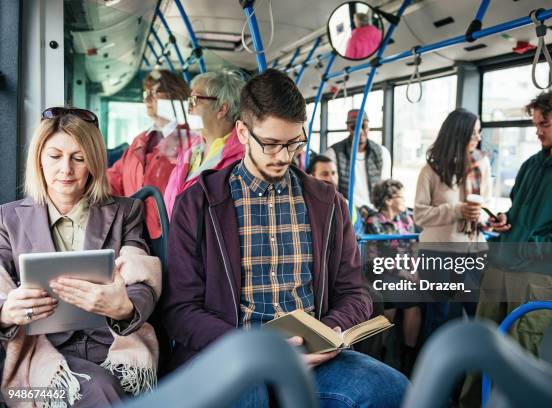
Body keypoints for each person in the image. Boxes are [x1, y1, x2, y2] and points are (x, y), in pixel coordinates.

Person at [163, 69, 408, 407]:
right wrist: (247, 346)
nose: (282, 156)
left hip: (312, 355)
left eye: (294, 143)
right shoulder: (199, 202)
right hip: (233, 351)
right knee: (251, 396)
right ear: (243, 132)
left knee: (393, 388)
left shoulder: (328, 204)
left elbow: (356, 292)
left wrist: (327, 333)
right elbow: (179, 309)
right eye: (271, 144)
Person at [0, 108, 161, 406]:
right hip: (40, 355)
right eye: (55, 156)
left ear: (94, 163)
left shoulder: (126, 212)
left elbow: (141, 275)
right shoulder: (8, 219)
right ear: (38, 159)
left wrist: (125, 307)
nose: (66, 169)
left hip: (114, 348)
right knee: (101, 390)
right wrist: (6, 312)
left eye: (78, 157)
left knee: (105, 387)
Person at [459, 90, 552, 407]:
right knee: (480, 345)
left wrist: (528, 248)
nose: (538, 131)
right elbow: (519, 211)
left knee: (517, 355)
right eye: (536, 124)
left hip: (538, 275)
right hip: (501, 265)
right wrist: (507, 220)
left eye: (544, 124)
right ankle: (468, 403)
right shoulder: (532, 163)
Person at [414, 108, 491, 339]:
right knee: (440, 319)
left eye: (479, 133)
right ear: (458, 134)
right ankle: (436, 373)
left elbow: (487, 207)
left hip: (474, 252)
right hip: (437, 255)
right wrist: (456, 210)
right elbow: (420, 215)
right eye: (473, 134)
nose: (478, 139)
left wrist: (483, 216)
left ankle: (472, 375)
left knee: (478, 317)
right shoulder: (430, 171)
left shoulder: (482, 165)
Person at [107, 69, 196, 238]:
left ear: (174, 96)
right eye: (146, 93)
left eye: (154, 92)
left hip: (170, 235)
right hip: (133, 232)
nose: (147, 98)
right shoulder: (141, 140)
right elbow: (116, 177)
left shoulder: (191, 141)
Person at [164, 70, 246, 217]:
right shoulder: (190, 151)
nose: (188, 107)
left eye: (195, 100)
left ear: (222, 108)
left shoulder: (242, 160)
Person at [365, 179, 421, 375]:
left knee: (414, 305)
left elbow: (414, 246)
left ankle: (408, 357)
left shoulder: (406, 218)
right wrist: (404, 273)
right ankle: (378, 354)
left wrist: (414, 269)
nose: (405, 200)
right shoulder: (374, 221)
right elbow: (376, 256)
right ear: (389, 200)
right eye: (401, 196)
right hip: (384, 270)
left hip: (406, 272)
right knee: (390, 304)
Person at [323, 109, 391, 210]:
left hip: (375, 211)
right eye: (354, 127)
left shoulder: (382, 152)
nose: (359, 131)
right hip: (347, 210)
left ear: (368, 127)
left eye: (363, 126)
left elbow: (385, 187)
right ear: (348, 128)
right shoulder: (333, 153)